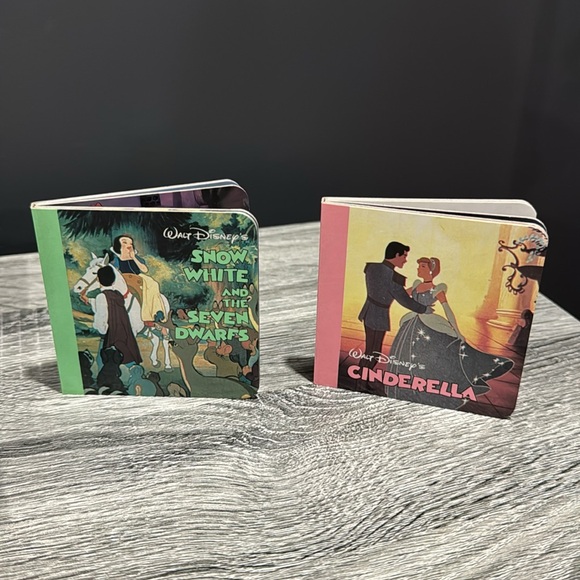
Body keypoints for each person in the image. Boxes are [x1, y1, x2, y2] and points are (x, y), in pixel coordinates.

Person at [387, 256, 513, 408]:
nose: (419, 269)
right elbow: (399, 295)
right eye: (419, 266)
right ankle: (408, 383)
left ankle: (433, 383)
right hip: (412, 322)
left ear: (431, 271)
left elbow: (448, 310)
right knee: (406, 353)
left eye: (423, 267)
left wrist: (457, 331)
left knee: (434, 355)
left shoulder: (437, 289)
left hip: (429, 323)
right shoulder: (416, 285)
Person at [358, 241, 427, 368]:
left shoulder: (371, 267)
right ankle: (362, 378)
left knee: (369, 351)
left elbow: (385, 290)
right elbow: (404, 300)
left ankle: (360, 376)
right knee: (374, 353)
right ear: (396, 255)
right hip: (379, 316)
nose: (405, 260)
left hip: (368, 311)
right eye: (404, 256)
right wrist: (424, 309)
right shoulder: (394, 277)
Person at [91, 265, 142, 367]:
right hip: (123, 332)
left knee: (103, 361)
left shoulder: (101, 297)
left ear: (98, 280)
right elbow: (113, 308)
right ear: (114, 281)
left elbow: (101, 319)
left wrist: (100, 329)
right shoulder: (118, 295)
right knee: (126, 355)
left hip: (110, 334)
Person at [110, 234, 166, 325]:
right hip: (124, 279)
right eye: (125, 242)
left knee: (153, 284)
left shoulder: (137, 258)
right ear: (118, 246)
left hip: (138, 278)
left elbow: (145, 270)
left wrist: (133, 258)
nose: (129, 245)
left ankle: (156, 312)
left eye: (130, 243)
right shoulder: (116, 260)